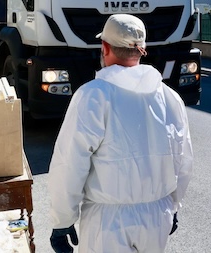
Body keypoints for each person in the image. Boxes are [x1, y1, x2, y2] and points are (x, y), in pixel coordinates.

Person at [48, 13, 193, 253]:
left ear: (105, 48)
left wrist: (62, 220)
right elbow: (183, 160)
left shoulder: (94, 96)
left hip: (108, 223)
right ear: (141, 50)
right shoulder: (170, 98)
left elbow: (70, 163)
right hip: (157, 218)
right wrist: (174, 204)